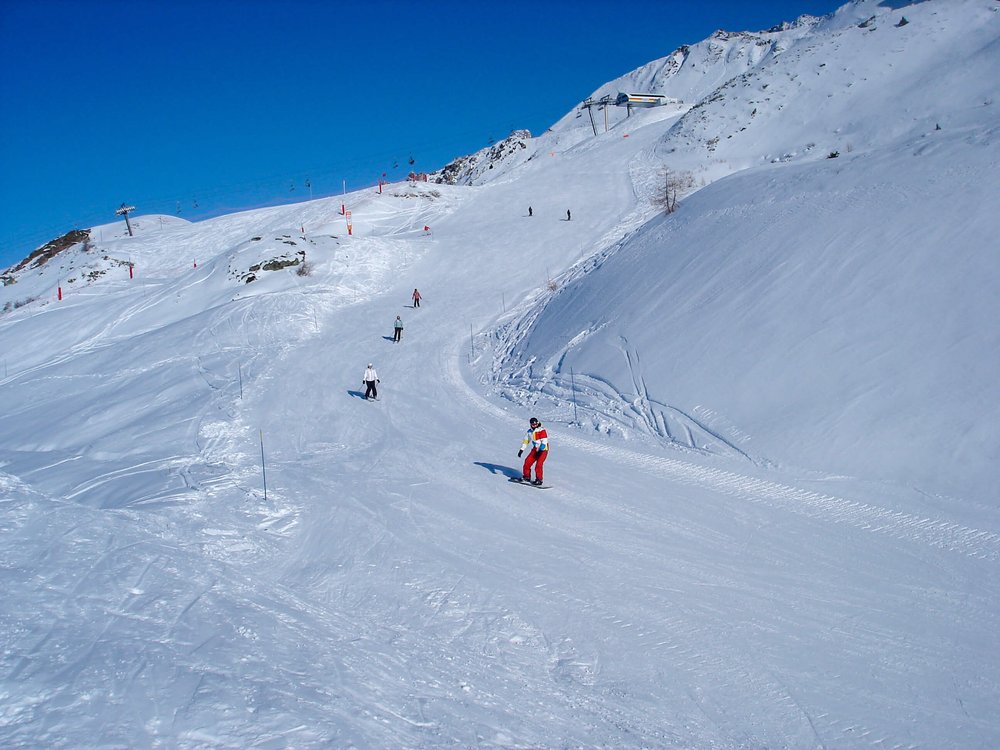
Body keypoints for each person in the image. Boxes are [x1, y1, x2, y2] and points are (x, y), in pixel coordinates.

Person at [517, 417, 549, 485]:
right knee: (527, 462)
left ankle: (539, 480)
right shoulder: (529, 432)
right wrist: (521, 450)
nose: (534, 425)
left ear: (537, 423)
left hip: (543, 450)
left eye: (535, 424)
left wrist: (541, 450)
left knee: (539, 464)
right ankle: (526, 477)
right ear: (530, 424)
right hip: (535, 449)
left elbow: (544, 441)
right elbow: (526, 441)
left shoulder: (542, 430)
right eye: (533, 424)